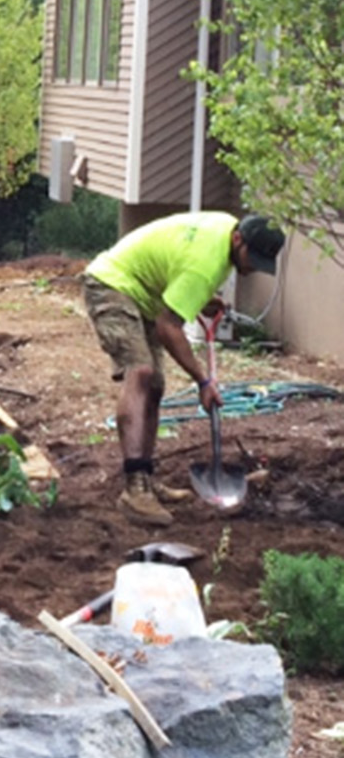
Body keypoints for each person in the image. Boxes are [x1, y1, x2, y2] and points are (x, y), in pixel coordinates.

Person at [82, 211, 286, 528]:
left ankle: (146, 479)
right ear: (237, 239)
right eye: (252, 258)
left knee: (156, 386)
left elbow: (176, 267)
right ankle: (134, 489)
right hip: (111, 284)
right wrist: (203, 381)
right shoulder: (207, 264)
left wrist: (199, 298)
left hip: (143, 294)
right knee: (142, 373)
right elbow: (168, 327)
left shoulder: (223, 232)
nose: (252, 267)